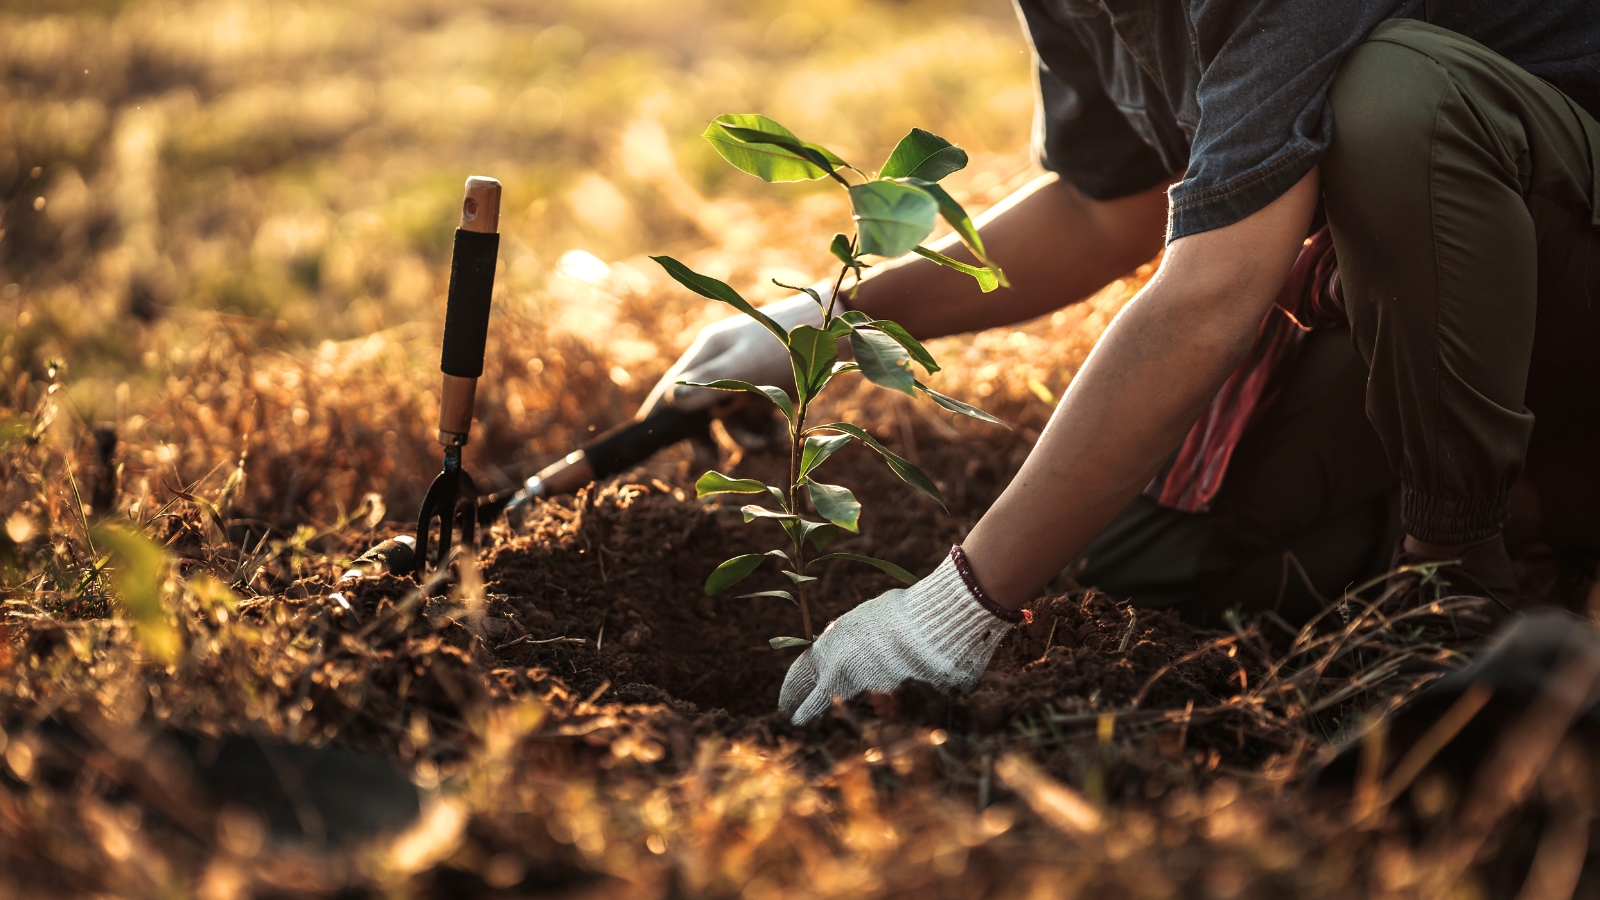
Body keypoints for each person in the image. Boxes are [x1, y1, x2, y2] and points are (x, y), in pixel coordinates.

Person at [642, 2, 1600, 724]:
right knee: (1132, 566)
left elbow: (1216, 287)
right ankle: (1524, 511)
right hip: (1452, 311)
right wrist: (832, 316)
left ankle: (1452, 594)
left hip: (1571, 264)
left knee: (1397, 99)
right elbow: (1113, 206)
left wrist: (955, 604)